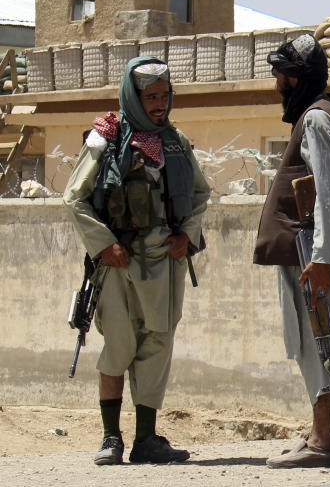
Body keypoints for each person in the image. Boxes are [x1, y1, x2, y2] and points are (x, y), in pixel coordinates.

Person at [63, 57, 211, 465]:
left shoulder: (175, 143)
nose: (159, 104)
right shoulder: (105, 140)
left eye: (164, 95)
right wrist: (104, 245)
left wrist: (187, 235)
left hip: (165, 260)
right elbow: (74, 197)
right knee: (120, 345)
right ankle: (112, 437)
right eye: (151, 97)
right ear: (134, 97)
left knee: (158, 344)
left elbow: (200, 193)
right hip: (118, 263)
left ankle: (146, 439)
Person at [253, 34, 330, 469]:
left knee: (322, 338)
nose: (275, 86)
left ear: (292, 79)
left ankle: (323, 441)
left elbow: (327, 191)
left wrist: (323, 257)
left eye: (279, 77)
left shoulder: (319, 120)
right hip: (317, 253)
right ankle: (317, 435)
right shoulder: (327, 113)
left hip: (319, 256)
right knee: (318, 340)